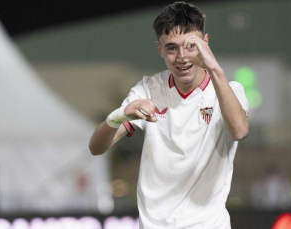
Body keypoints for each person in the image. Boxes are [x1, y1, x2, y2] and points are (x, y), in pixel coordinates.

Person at [89, 2, 249, 228]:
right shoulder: (148, 90)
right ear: (160, 49)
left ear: (205, 43)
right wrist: (119, 116)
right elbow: (96, 148)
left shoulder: (228, 90)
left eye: (191, 46)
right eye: (172, 48)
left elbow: (239, 130)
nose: (182, 57)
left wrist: (215, 69)